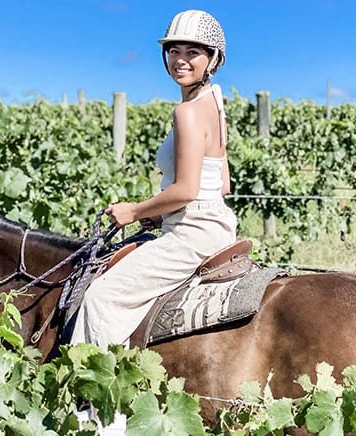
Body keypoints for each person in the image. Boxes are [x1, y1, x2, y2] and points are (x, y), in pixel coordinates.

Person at [70, 10, 237, 350]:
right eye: (174, 50)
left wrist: (134, 211)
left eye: (192, 52)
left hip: (191, 233)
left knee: (101, 298)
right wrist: (161, 214)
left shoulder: (187, 112)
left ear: (213, 58)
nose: (180, 60)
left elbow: (187, 190)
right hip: (214, 224)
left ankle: (97, 402)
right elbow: (222, 185)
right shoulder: (215, 106)